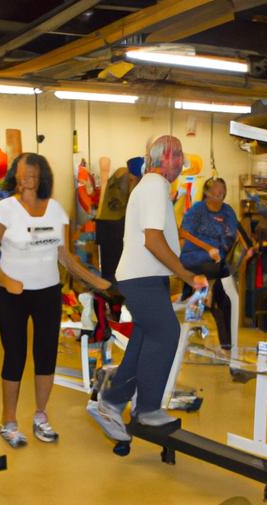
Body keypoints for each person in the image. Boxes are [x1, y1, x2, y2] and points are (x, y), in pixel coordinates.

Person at [0, 152, 110, 448]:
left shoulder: (56, 211)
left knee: (46, 354)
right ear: (14, 175)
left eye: (33, 174)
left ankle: (41, 415)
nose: (26, 178)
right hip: (10, 292)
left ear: (42, 177)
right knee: (15, 355)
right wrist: (6, 281)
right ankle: (9, 420)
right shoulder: (3, 210)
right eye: (22, 173)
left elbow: (66, 256)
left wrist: (99, 282)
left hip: (48, 291)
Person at [89, 135, 208, 441]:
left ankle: (112, 403)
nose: (181, 160)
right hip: (142, 278)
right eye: (176, 155)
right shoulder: (155, 185)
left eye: (181, 154)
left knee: (143, 341)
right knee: (167, 333)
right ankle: (147, 410)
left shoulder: (151, 186)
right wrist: (186, 275)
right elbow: (153, 240)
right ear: (159, 158)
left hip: (144, 277)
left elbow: (158, 238)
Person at [179, 177, 238, 349]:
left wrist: (232, 251)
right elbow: (183, 232)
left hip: (217, 261)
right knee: (213, 287)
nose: (218, 194)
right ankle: (206, 298)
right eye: (214, 191)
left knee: (226, 299)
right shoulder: (198, 209)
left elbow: (232, 235)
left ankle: (227, 343)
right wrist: (208, 248)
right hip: (195, 257)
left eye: (221, 191)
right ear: (207, 193)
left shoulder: (228, 212)